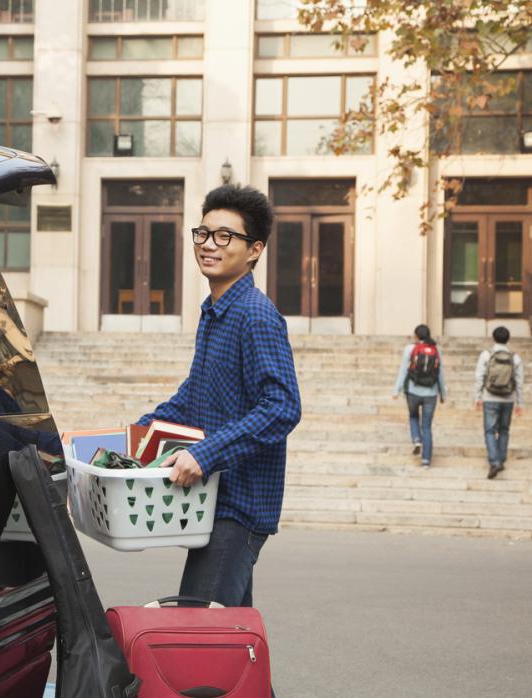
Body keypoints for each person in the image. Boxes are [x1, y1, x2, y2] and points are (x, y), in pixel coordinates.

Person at [135, 184, 301, 626]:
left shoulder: (256, 315)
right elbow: (195, 395)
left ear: (254, 250)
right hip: (213, 504)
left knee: (196, 636)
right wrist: (139, 433)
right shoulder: (215, 311)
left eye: (225, 236)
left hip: (238, 506)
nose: (209, 244)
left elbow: (282, 407)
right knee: (228, 643)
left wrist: (204, 454)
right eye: (203, 234)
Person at [392, 324, 447, 468]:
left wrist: (396, 390)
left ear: (416, 336)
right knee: (427, 427)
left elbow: (403, 370)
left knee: (413, 416)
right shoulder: (435, 350)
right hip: (431, 393)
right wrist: (443, 393)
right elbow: (440, 374)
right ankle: (426, 461)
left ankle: (416, 439)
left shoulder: (410, 349)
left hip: (413, 391)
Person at [474, 326, 524, 479]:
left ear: (493, 338)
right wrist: (520, 402)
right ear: (508, 339)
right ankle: (501, 460)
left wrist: (477, 397)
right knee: (504, 430)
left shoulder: (486, 355)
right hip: (508, 399)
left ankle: (494, 461)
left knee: (489, 431)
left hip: (490, 397)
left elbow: (479, 377)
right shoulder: (515, 357)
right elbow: (519, 381)